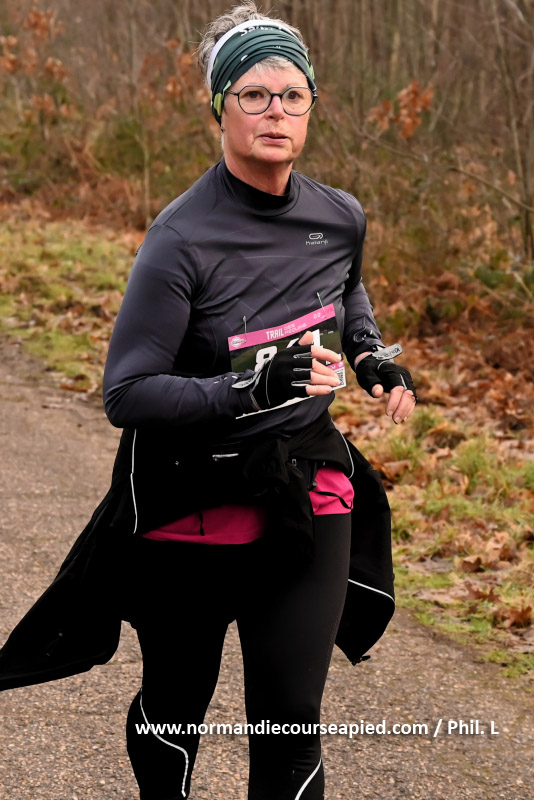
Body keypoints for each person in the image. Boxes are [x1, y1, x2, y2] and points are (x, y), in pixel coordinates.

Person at [0, 3, 416, 799]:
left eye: (292, 96)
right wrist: (252, 386)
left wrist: (372, 358)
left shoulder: (339, 216)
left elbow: (346, 291)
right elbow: (127, 392)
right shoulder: (180, 238)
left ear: (312, 107)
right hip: (191, 498)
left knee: (291, 717)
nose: (275, 112)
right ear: (220, 107)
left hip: (303, 492)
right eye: (254, 95)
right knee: (175, 704)